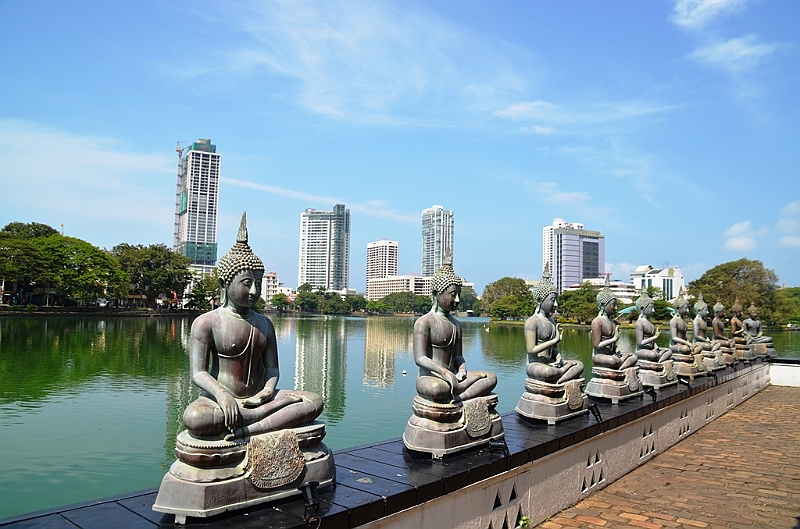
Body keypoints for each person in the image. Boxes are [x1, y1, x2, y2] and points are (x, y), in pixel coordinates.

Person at [181, 214, 322, 440]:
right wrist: (222, 395)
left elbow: (272, 368)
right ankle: (267, 417)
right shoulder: (206, 322)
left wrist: (267, 391)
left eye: (258, 283)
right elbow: (198, 372)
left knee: (314, 401)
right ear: (224, 284)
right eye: (247, 284)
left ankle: (251, 427)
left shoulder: (264, 323)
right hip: (220, 400)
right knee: (196, 418)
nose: (255, 291)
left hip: (260, 397)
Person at [413, 254, 496, 404]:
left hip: (454, 375)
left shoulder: (456, 324)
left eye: (459, 294)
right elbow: (420, 358)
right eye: (453, 294)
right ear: (436, 294)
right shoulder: (424, 322)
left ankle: (459, 397)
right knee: (438, 389)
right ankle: (461, 390)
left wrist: (462, 370)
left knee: (491, 377)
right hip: (432, 377)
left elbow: (458, 356)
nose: (457, 300)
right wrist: (444, 372)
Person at [524, 263, 584, 384]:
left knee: (579, 364)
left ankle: (558, 378)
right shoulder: (532, 322)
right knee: (548, 372)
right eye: (552, 300)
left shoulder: (551, 321)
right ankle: (561, 377)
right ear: (540, 300)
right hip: (536, 365)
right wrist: (553, 341)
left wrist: (558, 357)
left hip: (552, 362)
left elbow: (554, 348)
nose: (555, 304)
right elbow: (531, 349)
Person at [591, 277, 638, 370]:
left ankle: (619, 368)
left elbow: (613, 345)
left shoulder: (612, 322)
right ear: (603, 304)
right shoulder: (597, 322)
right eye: (613, 305)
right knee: (613, 361)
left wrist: (617, 350)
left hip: (611, 355)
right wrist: (614, 338)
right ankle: (620, 367)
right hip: (600, 356)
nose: (616, 308)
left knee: (633, 356)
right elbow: (597, 345)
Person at [634, 289, 672, 363]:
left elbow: (653, 342)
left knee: (668, 351)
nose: (653, 310)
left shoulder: (649, 322)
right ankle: (658, 361)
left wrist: (657, 348)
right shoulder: (639, 323)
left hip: (651, 349)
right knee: (653, 354)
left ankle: (659, 362)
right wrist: (655, 336)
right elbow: (640, 342)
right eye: (651, 308)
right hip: (642, 350)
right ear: (642, 308)